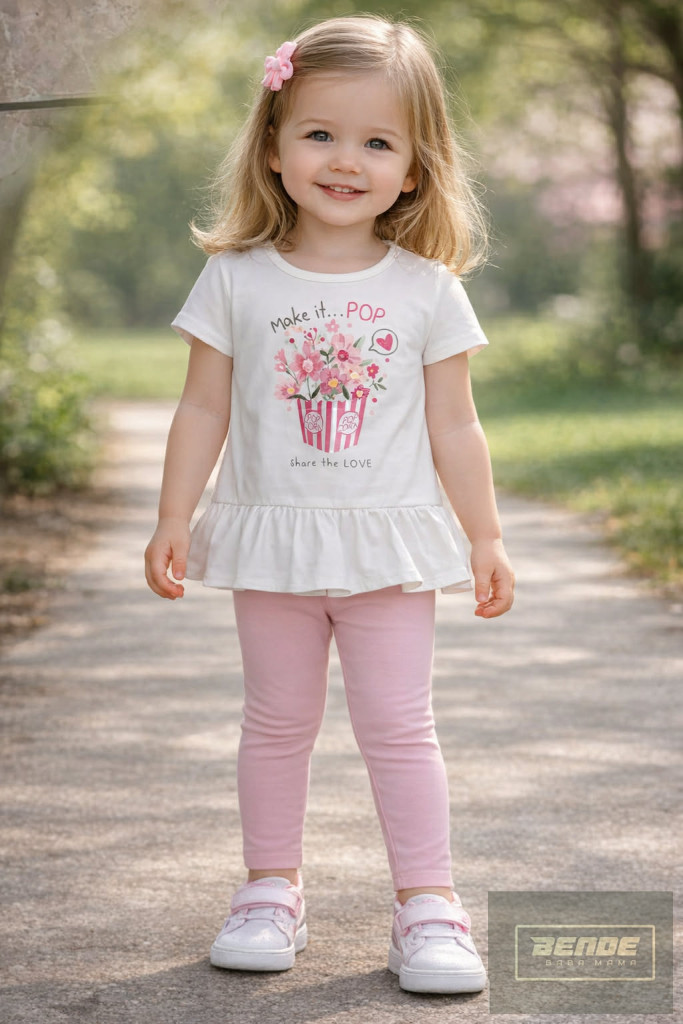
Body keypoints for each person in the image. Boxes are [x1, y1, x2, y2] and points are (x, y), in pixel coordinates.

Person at [144, 13, 514, 996]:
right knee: (275, 720)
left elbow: (454, 426)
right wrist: (173, 515)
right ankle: (270, 888)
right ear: (272, 146)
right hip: (271, 546)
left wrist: (483, 535)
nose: (345, 160)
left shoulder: (426, 290)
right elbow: (202, 406)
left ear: (415, 169)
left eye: (377, 142)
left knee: (400, 725)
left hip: (387, 551)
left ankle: (428, 904)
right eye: (319, 133)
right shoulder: (235, 278)